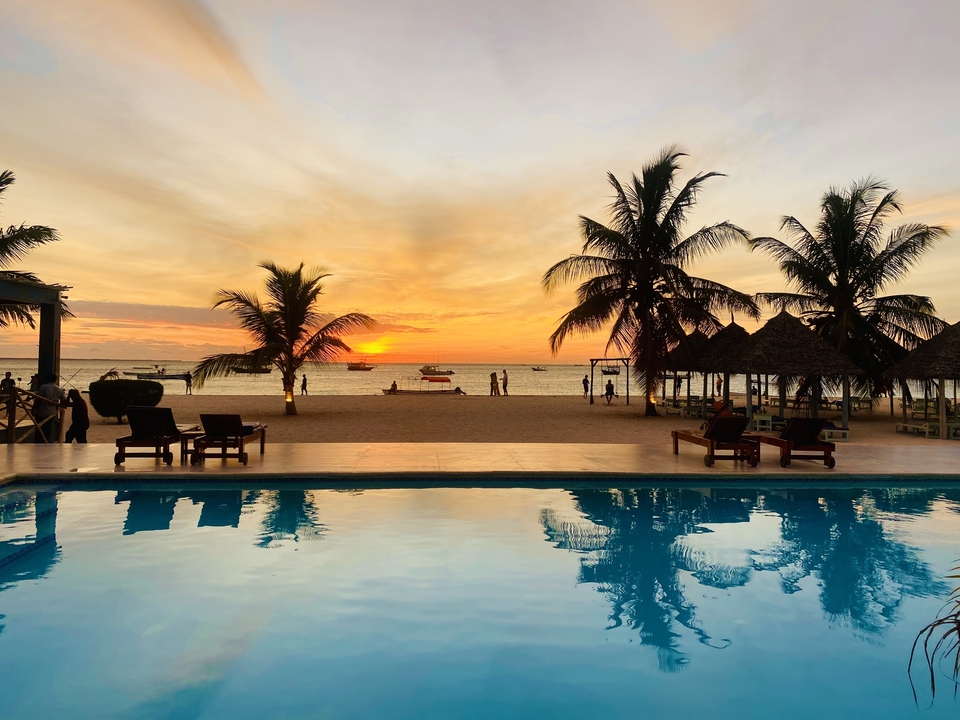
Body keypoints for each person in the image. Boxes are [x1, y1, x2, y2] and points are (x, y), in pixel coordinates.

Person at [33, 373, 65, 443]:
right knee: (48, 429)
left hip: (41, 412)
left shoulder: (43, 387)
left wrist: (33, 409)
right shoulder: (59, 389)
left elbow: (38, 400)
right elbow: (64, 401)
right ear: (55, 380)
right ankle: (46, 443)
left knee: (39, 429)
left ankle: (37, 444)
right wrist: (56, 404)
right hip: (52, 412)